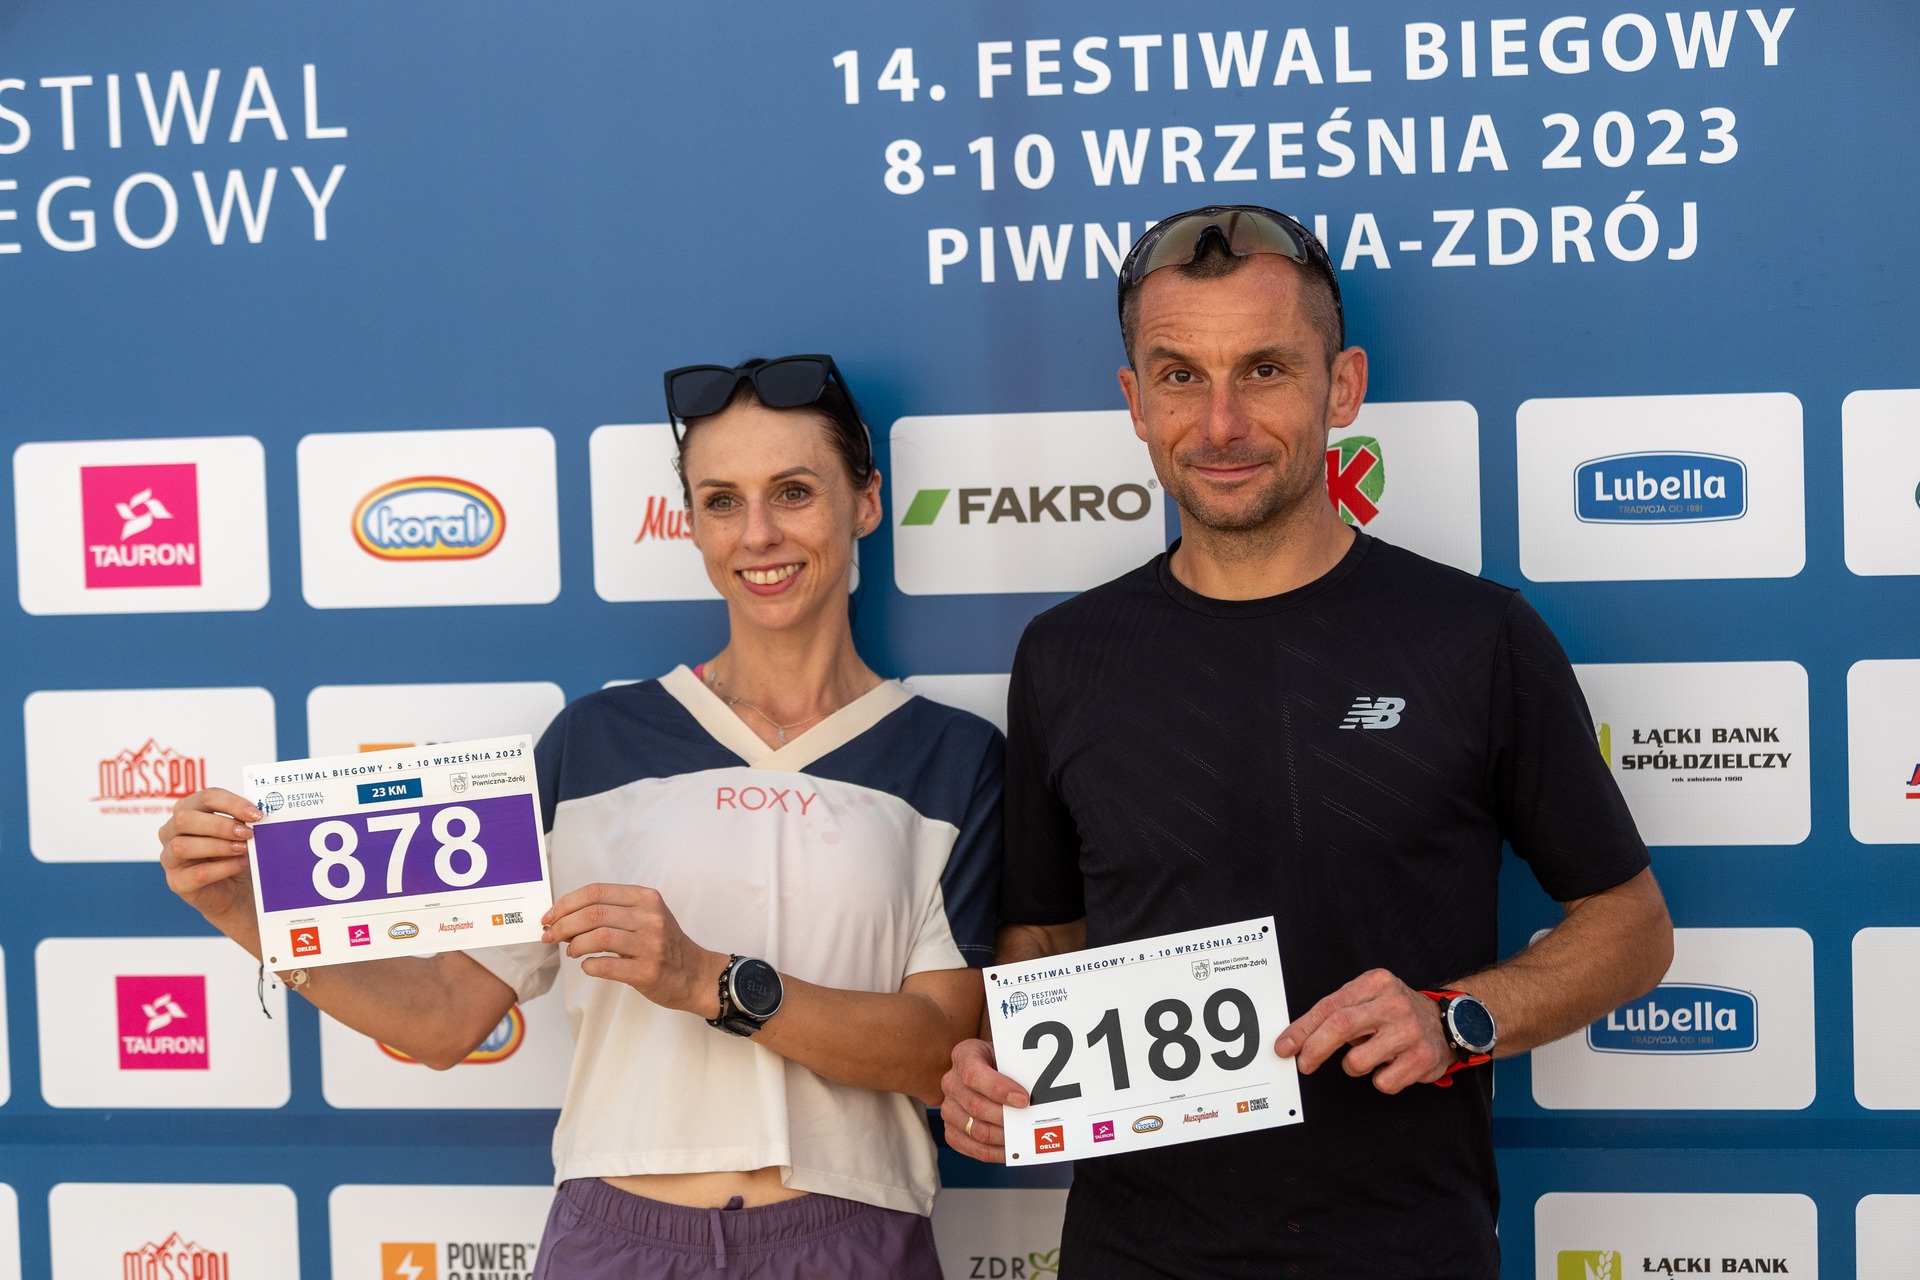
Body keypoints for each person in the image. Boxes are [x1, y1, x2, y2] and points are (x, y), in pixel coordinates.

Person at [938, 206, 1674, 1278]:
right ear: (1135, 401)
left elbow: (1633, 927)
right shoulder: (1064, 655)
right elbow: (1044, 936)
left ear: (1343, 385)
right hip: (1132, 1255)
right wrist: (1008, 1060)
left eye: (1266, 370)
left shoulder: (1475, 637)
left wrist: (1457, 1019)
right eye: (1181, 375)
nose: (1221, 422)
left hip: (1406, 1253)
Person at [160, 354, 1003, 1279]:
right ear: (691, 523)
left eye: (793, 492)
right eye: (722, 501)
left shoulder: (952, 756)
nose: (758, 534)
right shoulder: (592, 740)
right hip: (619, 1240)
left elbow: (937, 1051)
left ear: (866, 501)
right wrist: (248, 913)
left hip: (850, 1241)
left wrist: (707, 980)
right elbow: (446, 1016)